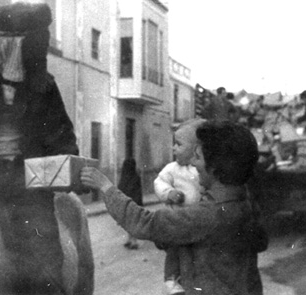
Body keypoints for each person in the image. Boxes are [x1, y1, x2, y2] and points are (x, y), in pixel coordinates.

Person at [0, 2, 79, 294]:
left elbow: (64, 139)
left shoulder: (44, 86)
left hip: (26, 187)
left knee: (42, 258)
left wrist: (69, 166)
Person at [81, 121, 266, 295]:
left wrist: (106, 187)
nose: (193, 163)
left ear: (216, 167)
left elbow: (144, 222)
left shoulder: (207, 214)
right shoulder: (245, 205)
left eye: (198, 157)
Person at [154, 119, 205, 294]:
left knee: (196, 255)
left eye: (178, 144)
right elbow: (159, 182)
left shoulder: (201, 170)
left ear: (196, 149)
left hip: (198, 221)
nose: (173, 148)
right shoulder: (172, 169)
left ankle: (194, 283)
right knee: (175, 251)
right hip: (178, 219)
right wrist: (169, 193)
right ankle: (171, 280)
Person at [118, 158, 143, 250]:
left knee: (130, 223)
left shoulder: (125, 177)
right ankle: (130, 240)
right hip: (132, 203)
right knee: (130, 223)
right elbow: (138, 192)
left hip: (129, 204)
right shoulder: (135, 177)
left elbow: (120, 190)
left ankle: (133, 241)